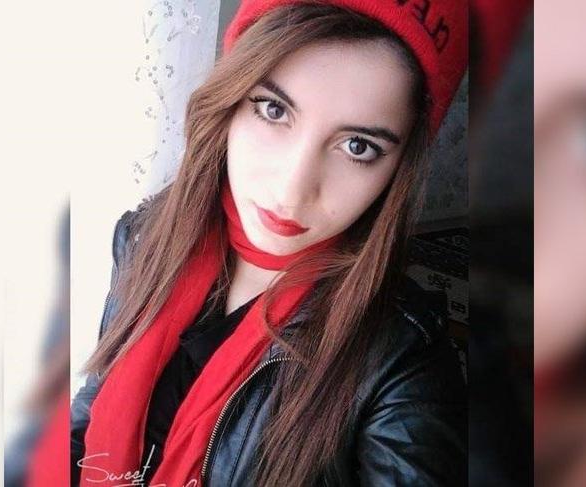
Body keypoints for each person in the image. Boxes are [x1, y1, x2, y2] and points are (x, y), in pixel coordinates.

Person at [71, 1, 468, 485]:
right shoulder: (145, 238)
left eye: (358, 146)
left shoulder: (403, 358)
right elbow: (90, 412)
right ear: (230, 101)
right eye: (274, 110)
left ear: (399, 168)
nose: (291, 190)